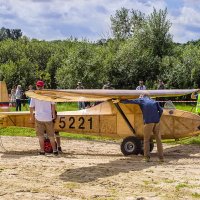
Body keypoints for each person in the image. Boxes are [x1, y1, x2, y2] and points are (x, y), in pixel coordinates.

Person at [114, 92, 164, 162]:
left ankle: (146, 157)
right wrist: (158, 118)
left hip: (148, 122)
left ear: (142, 96)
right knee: (159, 140)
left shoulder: (141, 100)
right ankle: (161, 158)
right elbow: (161, 110)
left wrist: (119, 101)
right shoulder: (154, 101)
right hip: (157, 122)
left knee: (146, 140)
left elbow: (130, 101)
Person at [29, 80, 58, 155]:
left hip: (39, 118)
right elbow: (53, 105)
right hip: (48, 118)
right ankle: (55, 150)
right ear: (43, 86)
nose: (39, 87)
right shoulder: (48, 94)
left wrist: (31, 117)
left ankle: (42, 151)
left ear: (37, 86)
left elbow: (31, 107)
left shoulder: (34, 95)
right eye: (39, 86)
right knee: (51, 136)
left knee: (40, 136)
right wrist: (53, 115)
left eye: (39, 86)